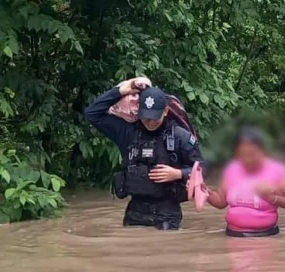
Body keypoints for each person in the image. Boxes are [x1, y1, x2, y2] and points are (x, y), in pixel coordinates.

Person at [84, 78, 204, 230]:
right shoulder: (127, 132)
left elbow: (203, 168)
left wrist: (178, 173)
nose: (149, 122)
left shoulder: (180, 136)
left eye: (154, 118)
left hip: (167, 213)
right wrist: (122, 90)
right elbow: (92, 113)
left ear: (166, 111)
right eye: (145, 116)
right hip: (135, 212)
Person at [204, 127, 285, 237]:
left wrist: (274, 197)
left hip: (266, 238)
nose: (248, 159)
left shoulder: (277, 171)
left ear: (262, 150)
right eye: (243, 154)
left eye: (252, 154)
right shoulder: (232, 169)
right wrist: (205, 192)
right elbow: (221, 201)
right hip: (233, 237)